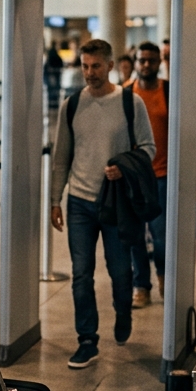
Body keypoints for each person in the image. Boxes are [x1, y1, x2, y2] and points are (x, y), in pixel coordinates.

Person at [49, 39, 155, 367]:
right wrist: (55, 199)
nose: (89, 73)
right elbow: (61, 157)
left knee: (120, 271)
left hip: (115, 203)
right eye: (84, 66)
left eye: (96, 66)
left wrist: (122, 167)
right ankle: (87, 339)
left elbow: (149, 148)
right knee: (82, 273)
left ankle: (123, 312)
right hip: (79, 202)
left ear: (110, 65)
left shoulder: (130, 102)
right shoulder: (71, 105)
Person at [129, 42, 169, 308]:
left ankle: (165, 276)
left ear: (158, 62)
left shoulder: (168, 90)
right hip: (134, 176)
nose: (146, 65)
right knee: (134, 235)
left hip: (163, 173)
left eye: (151, 61)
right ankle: (141, 285)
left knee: (161, 233)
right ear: (136, 62)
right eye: (142, 60)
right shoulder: (125, 93)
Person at [43, 44, 64, 109]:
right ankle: (55, 105)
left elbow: (45, 69)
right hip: (56, 78)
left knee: (50, 92)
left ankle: (51, 105)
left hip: (49, 79)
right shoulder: (58, 58)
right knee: (56, 92)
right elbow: (61, 66)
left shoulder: (49, 59)